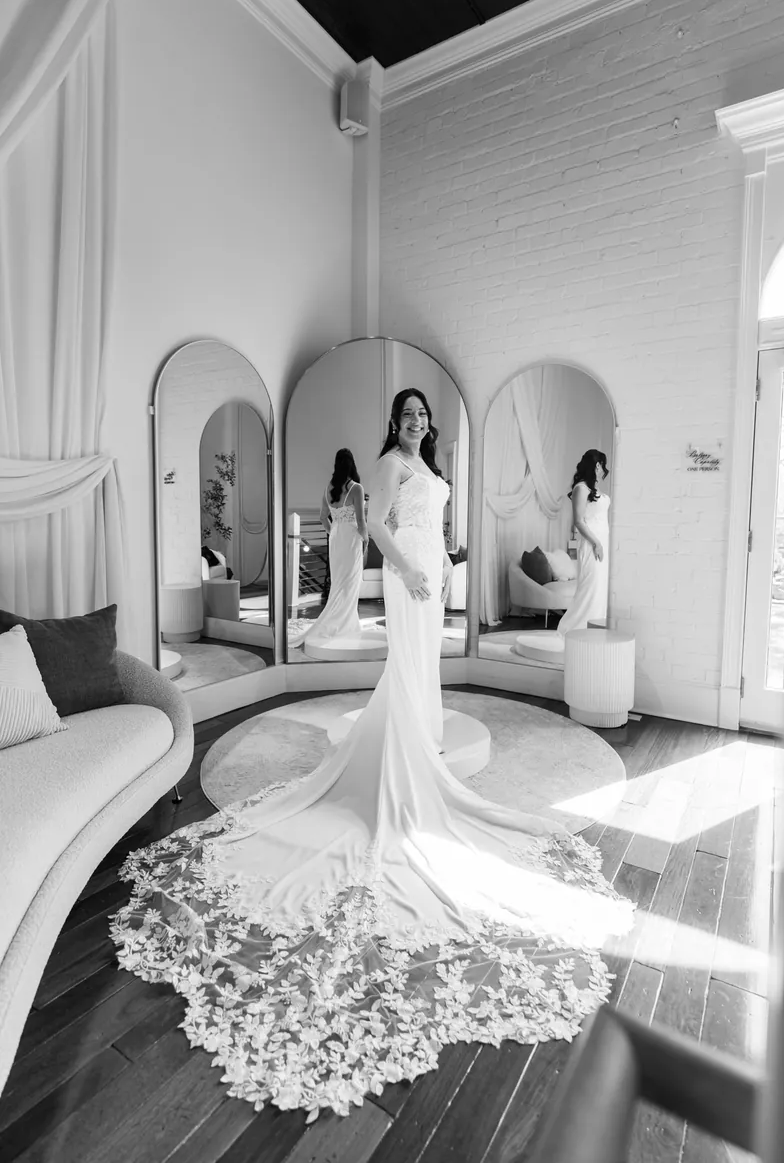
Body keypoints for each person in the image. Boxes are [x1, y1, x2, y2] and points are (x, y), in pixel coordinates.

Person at [112, 392, 632, 1121]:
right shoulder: (389, 463)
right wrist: (415, 574)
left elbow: (430, 520)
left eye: (423, 414)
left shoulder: (428, 461)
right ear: (395, 421)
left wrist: (445, 562)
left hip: (432, 573)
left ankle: (414, 748)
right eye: (408, 414)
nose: (417, 421)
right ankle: (397, 766)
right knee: (407, 674)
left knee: (419, 679)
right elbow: (380, 524)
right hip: (411, 578)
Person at [292, 449, 367, 649]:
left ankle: (343, 623)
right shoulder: (356, 488)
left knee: (339, 583)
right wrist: (366, 540)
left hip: (336, 538)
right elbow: (361, 521)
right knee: (349, 583)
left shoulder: (329, 488)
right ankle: (344, 626)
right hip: (351, 538)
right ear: (352, 464)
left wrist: (333, 531)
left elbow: (322, 517)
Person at [557, 449, 611, 637]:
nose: (604, 470)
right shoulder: (581, 488)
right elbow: (579, 521)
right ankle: (574, 631)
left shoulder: (593, 491)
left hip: (602, 545)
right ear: (597, 466)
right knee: (590, 589)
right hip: (591, 545)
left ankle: (595, 632)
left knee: (600, 590)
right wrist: (596, 543)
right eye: (603, 465)